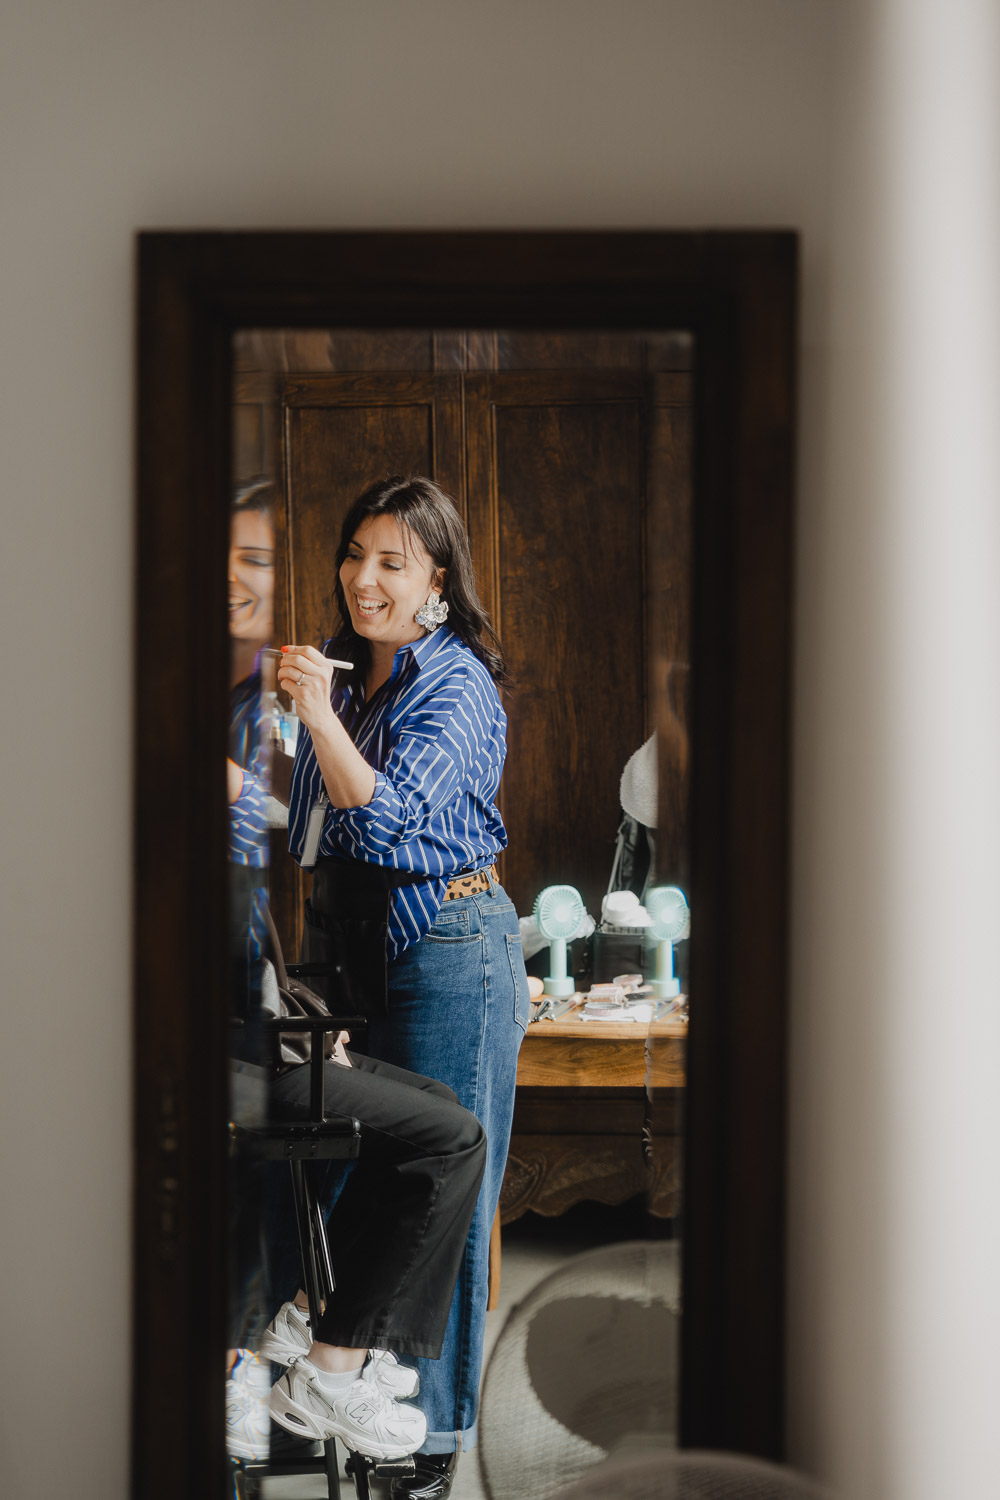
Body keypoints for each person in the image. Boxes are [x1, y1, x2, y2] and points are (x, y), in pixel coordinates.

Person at [278, 475, 530, 1499]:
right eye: (354, 554)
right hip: (356, 944)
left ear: (438, 579)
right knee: (358, 1176)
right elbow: (310, 830)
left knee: (444, 1192)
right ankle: (351, 1392)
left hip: (450, 945)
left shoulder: (455, 683)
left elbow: (384, 823)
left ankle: (431, 1442)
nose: (364, 578)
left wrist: (314, 717)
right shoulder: (343, 674)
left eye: (393, 561)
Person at [227, 1042, 487, 1466]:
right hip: (244, 1055)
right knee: (453, 1138)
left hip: (280, 1045)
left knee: (440, 1101)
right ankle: (330, 1372)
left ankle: (311, 1314)